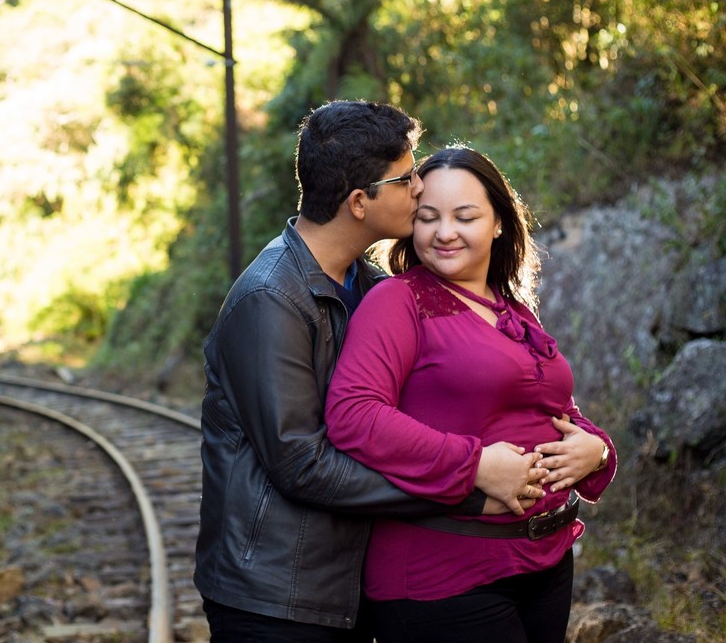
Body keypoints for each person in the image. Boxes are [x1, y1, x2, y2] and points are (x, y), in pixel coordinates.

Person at [195, 102, 549, 642]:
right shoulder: (270, 300)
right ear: (360, 202)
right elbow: (301, 463)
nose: (420, 188)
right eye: (406, 178)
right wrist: (466, 485)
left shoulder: (370, 282)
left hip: (347, 583)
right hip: (276, 598)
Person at [324, 145, 617, 643]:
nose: (444, 232)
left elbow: (551, 406)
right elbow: (353, 414)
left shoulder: (512, 309)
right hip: (444, 575)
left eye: (465, 216)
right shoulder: (398, 301)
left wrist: (597, 449)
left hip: (544, 563)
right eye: (428, 217)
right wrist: (475, 463)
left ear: (499, 222)